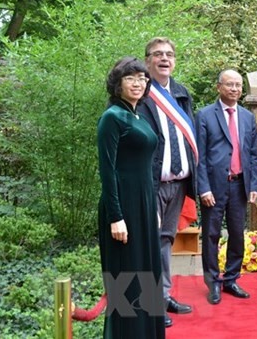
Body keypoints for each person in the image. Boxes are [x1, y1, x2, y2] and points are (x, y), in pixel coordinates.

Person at [97, 57, 165, 338]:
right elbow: (107, 170)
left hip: (144, 206)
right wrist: (116, 217)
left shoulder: (139, 115)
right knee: (126, 280)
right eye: (130, 78)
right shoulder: (112, 117)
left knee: (147, 275)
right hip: (122, 208)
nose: (138, 83)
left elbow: (147, 166)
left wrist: (154, 206)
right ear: (118, 83)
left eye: (142, 78)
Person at [138, 37, 197, 328]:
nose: (164, 59)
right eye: (158, 54)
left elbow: (191, 137)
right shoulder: (139, 93)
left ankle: (163, 295)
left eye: (169, 54)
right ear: (147, 60)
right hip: (152, 184)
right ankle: (152, 305)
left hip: (178, 184)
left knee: (165, 241)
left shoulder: (182, 93)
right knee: (150, 243)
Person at [196, 69, 257, 305]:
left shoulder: (247, 117)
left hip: (239, 185)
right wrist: (203, 188)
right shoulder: (204, 115)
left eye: (238, 85)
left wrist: (253, 184)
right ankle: (212, 282)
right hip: (213, 187)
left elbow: (253, 154)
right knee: (211, 235)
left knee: (237, 235)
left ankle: (231, 278)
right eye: (230, 84)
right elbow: (199, 156)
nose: (234, 89)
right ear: (218, 87)